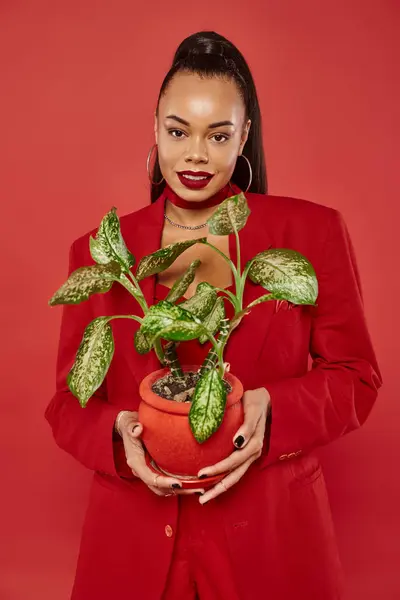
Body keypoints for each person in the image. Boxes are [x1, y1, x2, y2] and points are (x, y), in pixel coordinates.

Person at [45, 30, 383, 600]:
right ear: (154, 128)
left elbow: (357, 378)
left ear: (244, 137)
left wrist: (272, 408)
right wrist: (119, 435)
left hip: (274, 543)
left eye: (218, 135)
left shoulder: (311, 234)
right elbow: (65, 404)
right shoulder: (103, 251)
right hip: (136, 548)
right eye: (178, 131)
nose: (195, 154)